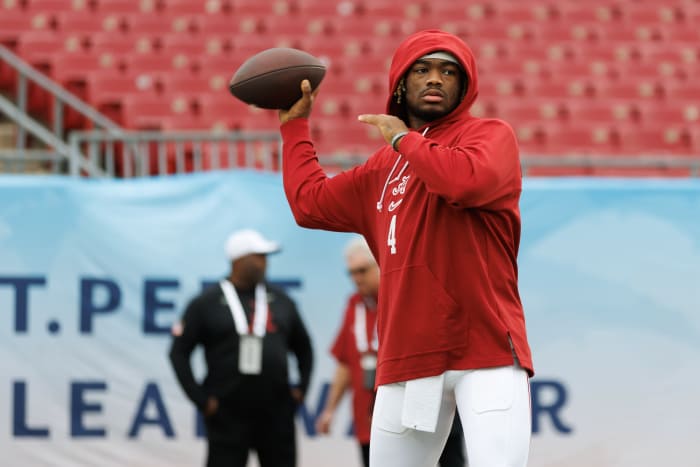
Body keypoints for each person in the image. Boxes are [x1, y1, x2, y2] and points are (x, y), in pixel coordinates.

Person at [278, 29, 534, 467]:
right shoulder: (381, 168)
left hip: (486, 350)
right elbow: (308, 203)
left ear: (465, 86)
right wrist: (294, 127)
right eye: (422, 69)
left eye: (448, 71)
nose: (435, 79)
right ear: (400, 83)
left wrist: (403, 139)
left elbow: (464, 181)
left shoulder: (490, 135)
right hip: (408, 356)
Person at [316, 236, 466, 467]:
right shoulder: (353, 305)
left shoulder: (410, 295)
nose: (356, 279)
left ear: (380, 263)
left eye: (362, 271)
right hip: (373, 415)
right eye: (351, 273)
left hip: (428, 404)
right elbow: (346, 362)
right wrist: (330, 410)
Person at [168, 228, 313, 467]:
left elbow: (304, 347)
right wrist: (201, 399)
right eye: (259, 256)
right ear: (239, 260)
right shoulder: (206, 302)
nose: (265, 263)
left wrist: (301, 388)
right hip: (227, 412)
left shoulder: (280, 299)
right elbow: (178, 352)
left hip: (276, 411)